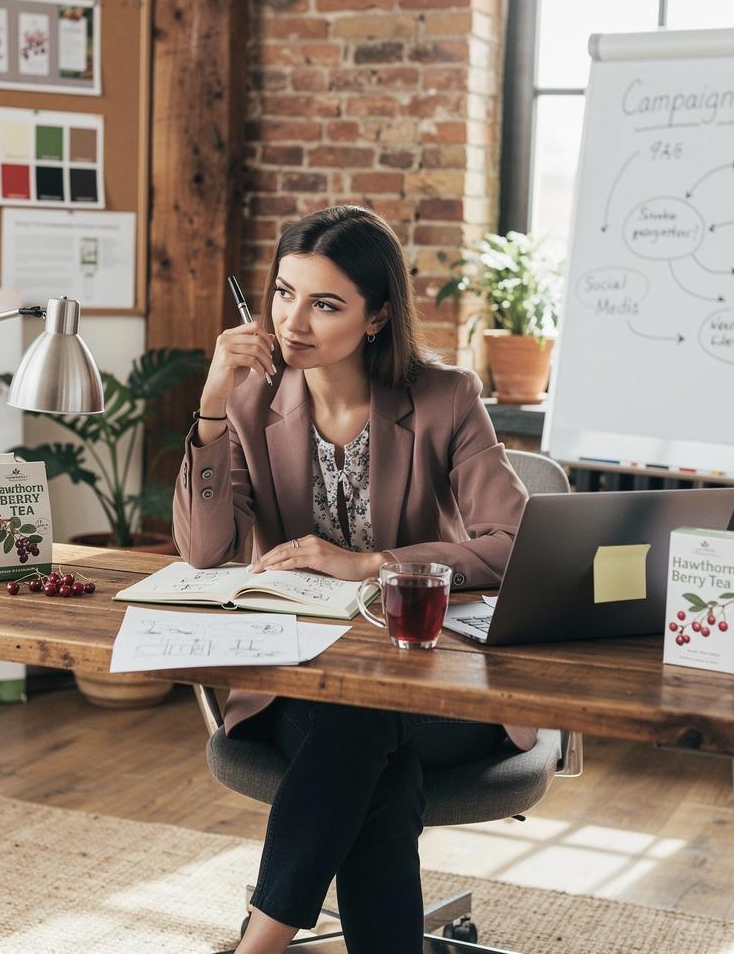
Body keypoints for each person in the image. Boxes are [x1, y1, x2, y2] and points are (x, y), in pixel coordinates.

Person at [173, 206, 532, 954]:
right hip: (299, 686)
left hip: (435, 685)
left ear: (377, 317)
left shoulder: (446, 399)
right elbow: (205, 552)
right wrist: (210, 408)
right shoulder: (249, 401)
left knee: (369, 719)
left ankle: (258, 946)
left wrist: (371, 565)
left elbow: (513, 543)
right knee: (368, 737)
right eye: (282, 293)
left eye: (325, 303)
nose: (291, 321)